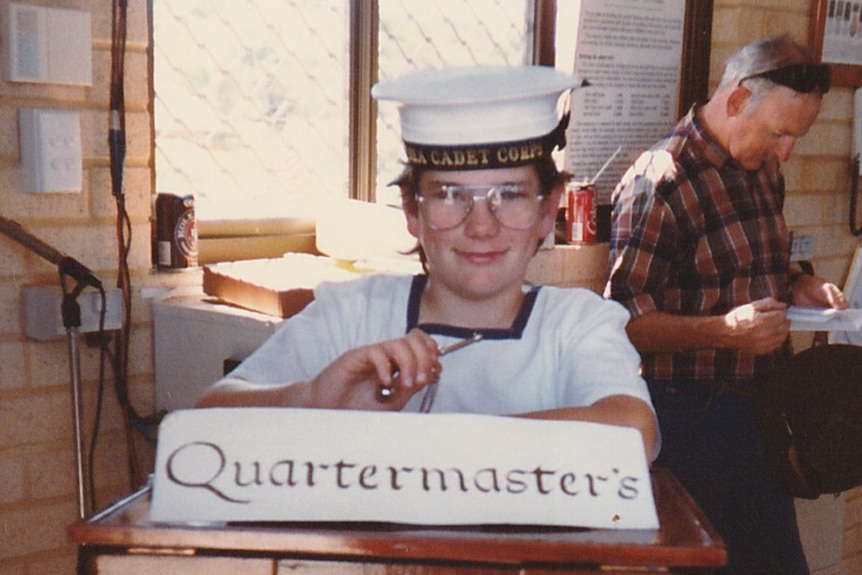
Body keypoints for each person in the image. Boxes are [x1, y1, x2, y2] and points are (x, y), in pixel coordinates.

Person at [197, 65, 659, 463]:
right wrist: (313, 400)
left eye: (511, 195)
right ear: (412, 212)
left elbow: (633, 431)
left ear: (546, 210)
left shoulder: (577, 324)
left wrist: (423, 445)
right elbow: (205, 421)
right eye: (450, 196)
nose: (481, 226)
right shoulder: (352, 313)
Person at [604, 35, 847, 574]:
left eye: (796, 139)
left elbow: (750, 263)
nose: (785, 152)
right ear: (737, 100)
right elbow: (620, 320)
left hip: (760, 412)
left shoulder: (763, 170)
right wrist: (722, 331)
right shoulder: (659, 180)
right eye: (780, 133)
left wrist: (798, 281)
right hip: (689, 417)